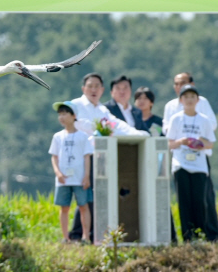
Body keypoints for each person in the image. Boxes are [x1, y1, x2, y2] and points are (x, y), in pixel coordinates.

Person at [67, 72, 148, 241]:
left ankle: (88, 235)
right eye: (90, 86)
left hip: (98, 158)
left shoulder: (102, 109)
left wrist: (138, 134)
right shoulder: (76, 105)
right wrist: (102, 130)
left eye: (97, 86)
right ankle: (76, 235)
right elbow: (78, 124)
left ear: (102, 90)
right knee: (84, 197)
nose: (93, 89)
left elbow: (118, 125)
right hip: (80, 158)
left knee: (95, 196)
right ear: (84, 88)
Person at [162, 72, 218, 243]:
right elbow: (168, 142)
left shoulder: (204, 120)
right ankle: (188, 237)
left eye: (192, 96)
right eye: (185, 96)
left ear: (198, 99)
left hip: (199, 164)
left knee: (201, 201)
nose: (189, 100)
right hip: (180, 163)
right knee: (184, 202)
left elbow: (211, 142)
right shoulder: (175, 117)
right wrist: (181, 141)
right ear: (181, 100)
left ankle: (203, 235)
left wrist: (200, 143)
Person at [134, 86, 178, 244]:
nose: (141, 101)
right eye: (138, 98)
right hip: (136, 166)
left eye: (144, 98)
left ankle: (170, 237)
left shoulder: (159, 122)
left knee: (160, 199)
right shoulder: (132, 122)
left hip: (157, 165)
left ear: (151, 102)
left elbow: (165, 145)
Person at [49, 101, 93, 244]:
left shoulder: (83, 136)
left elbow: (87, 157)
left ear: (73, 115)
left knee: (83, 206)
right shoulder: (57, 136)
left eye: (65, 114)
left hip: (79, 178)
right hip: (63, 179)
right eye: (59, 114)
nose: (61, 117)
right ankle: (65, 237)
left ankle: (86, 236)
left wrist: (86, 176)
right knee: (64, 207)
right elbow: (54, 157)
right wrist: (58, 173)